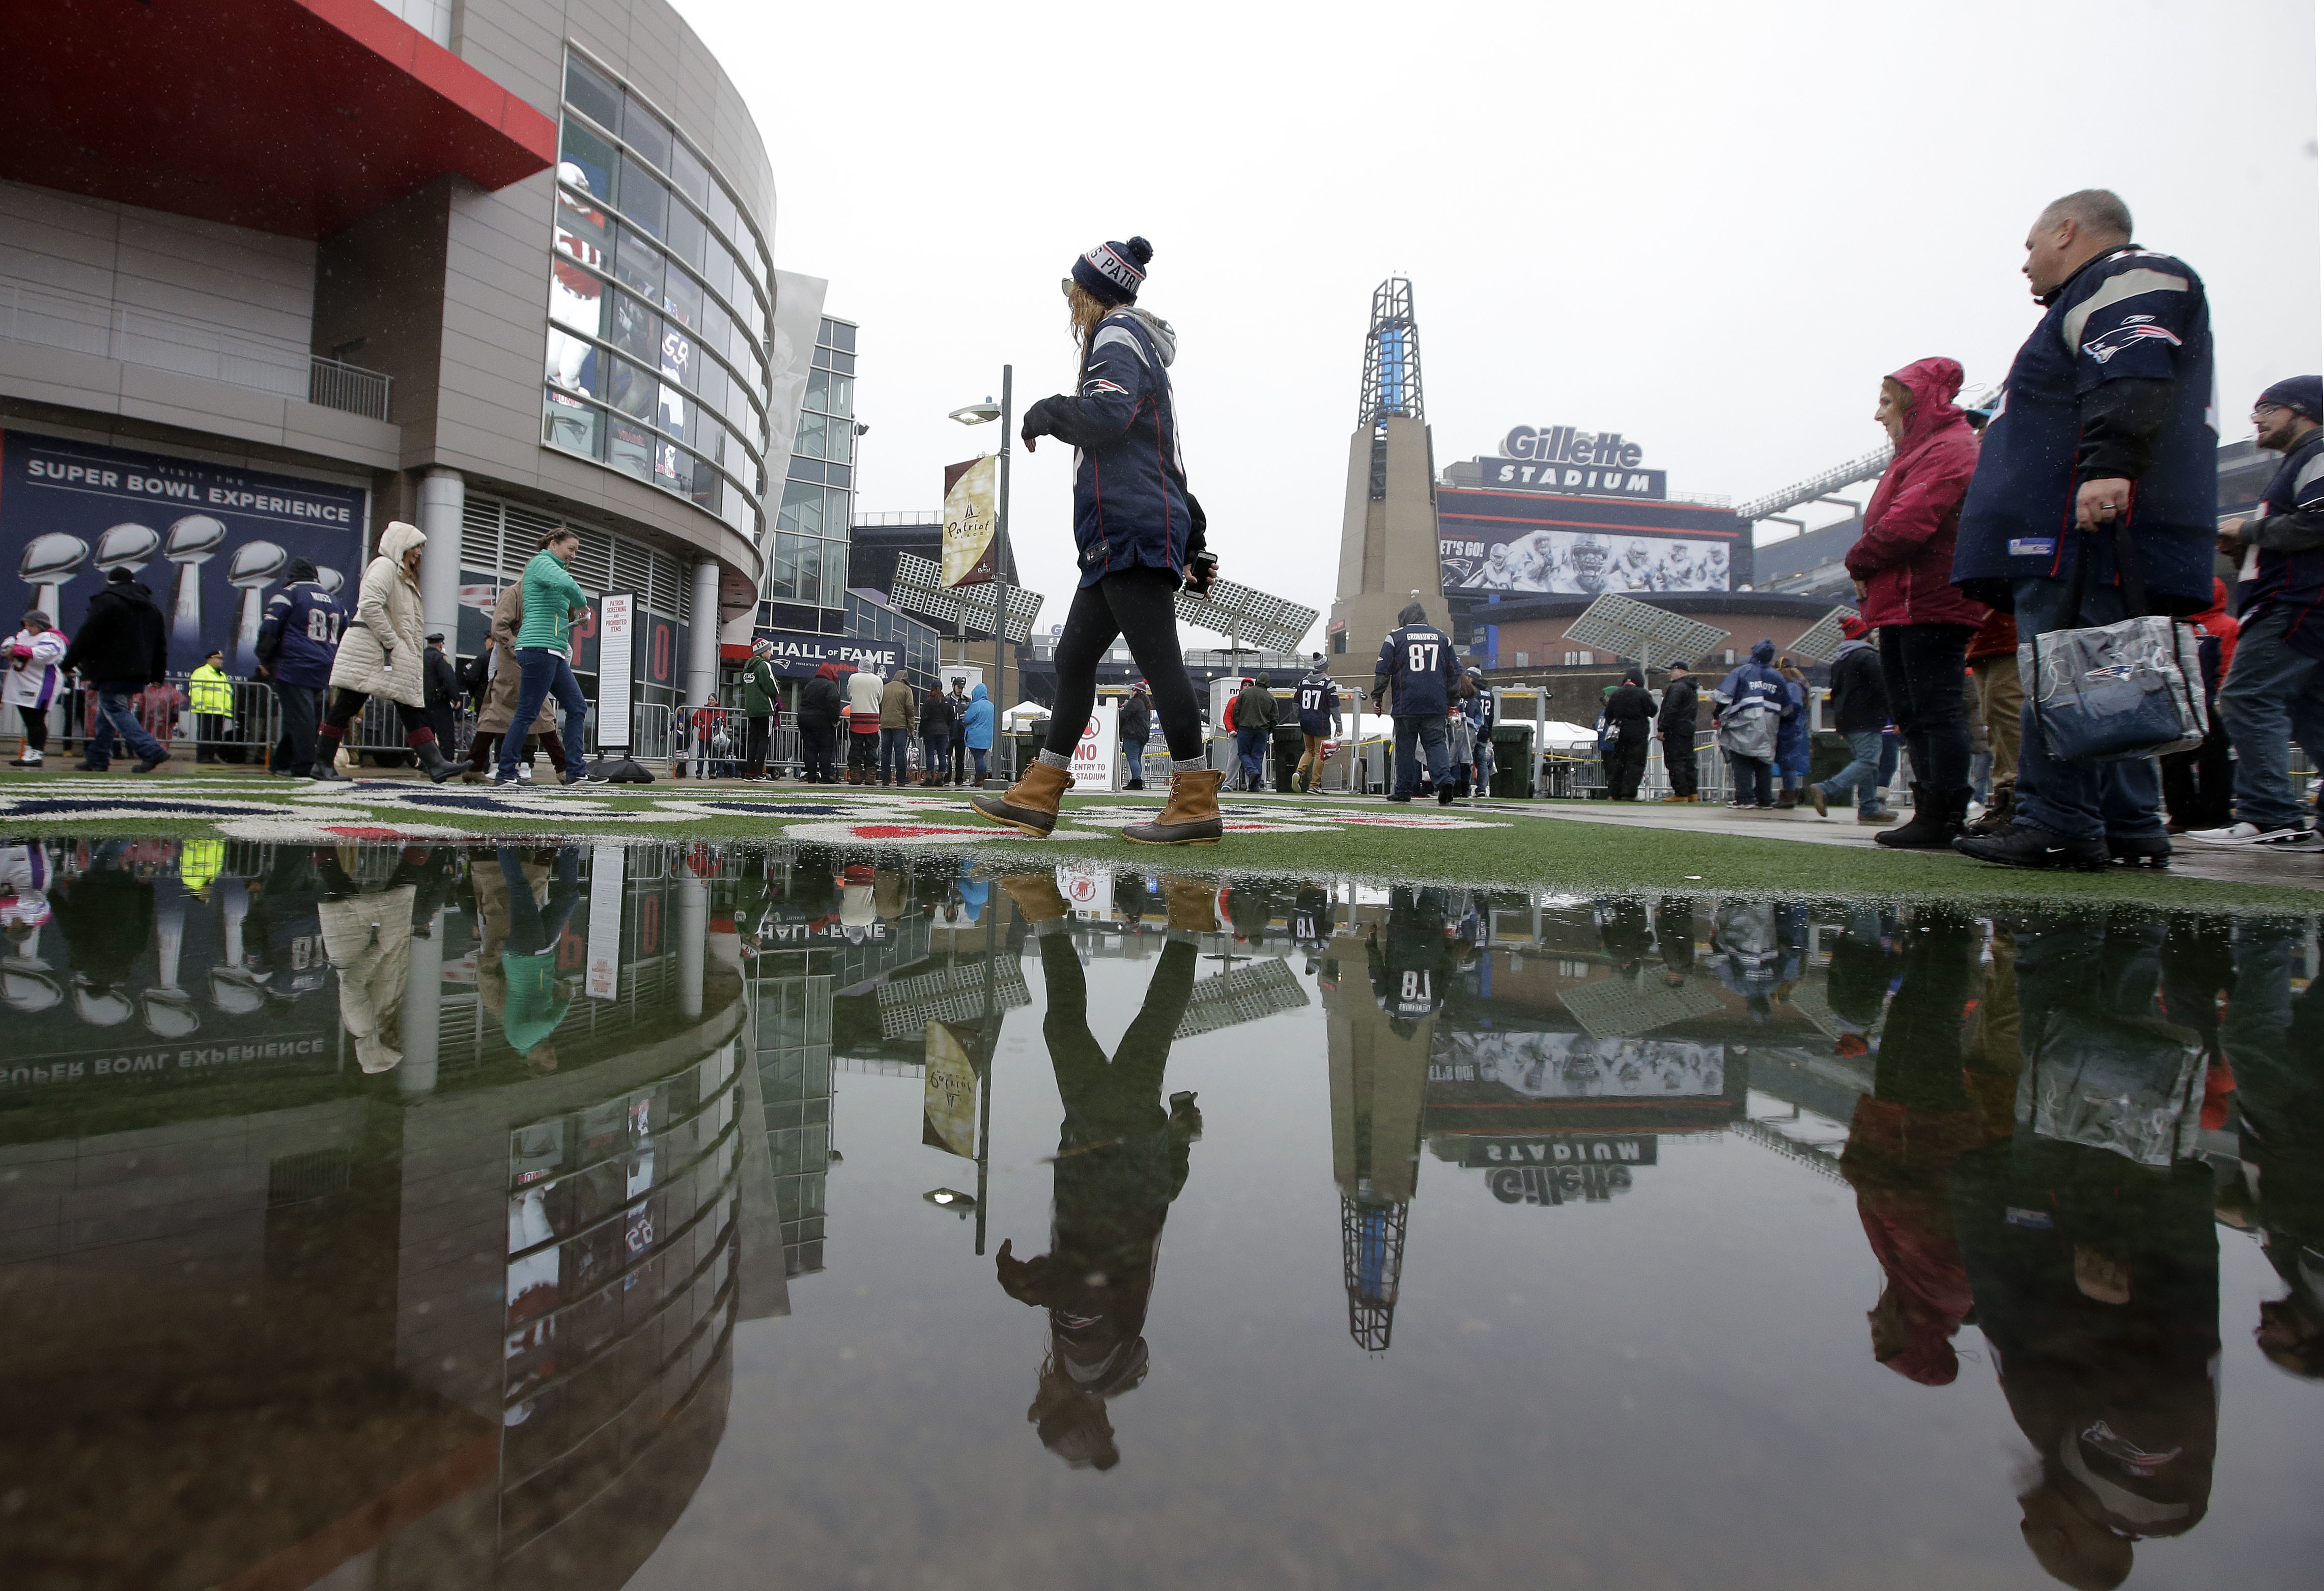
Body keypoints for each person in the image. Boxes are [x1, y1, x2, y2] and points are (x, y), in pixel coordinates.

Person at [1953, 190, 2216, 871]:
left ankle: (2058, 819)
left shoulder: (2123, 277)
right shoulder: (2114, 287)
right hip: (2083, 521)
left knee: (2069, 667)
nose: (2025, 265)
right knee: (2110, 670)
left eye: (2030, 246)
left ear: (2066, 231)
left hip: (2076, 525)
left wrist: (2106, 466)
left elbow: (2130, 366)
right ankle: (2126, 822)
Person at [973, 234, 1223, 846]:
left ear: (1095, 292)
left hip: (1127, 527)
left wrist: (1048, 411)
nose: (1071, 304)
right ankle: (1039, 794)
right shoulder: (1139, 346)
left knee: (1159, 661)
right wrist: (1191, 539)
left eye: (1075, 292)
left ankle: (1195, 799)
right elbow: (1162, 461)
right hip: (1131, 526)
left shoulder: (1115, 335)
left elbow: (1107, 419)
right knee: (1074, 658)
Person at [994, 869, 1209, 1470]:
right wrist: (1032, 1287)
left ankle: (1188, 916)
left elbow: (1137, 1242)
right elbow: (1087, 1278)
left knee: (1146, 1028)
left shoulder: (1103, 1360)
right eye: (1046, 1404)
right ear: (1069, 1407)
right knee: (1081, 1024)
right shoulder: (1086, 1359)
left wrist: (1179, 1134)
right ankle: (1047, 907)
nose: (1040, 1394)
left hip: (1125, 1155)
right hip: (1105, 1150)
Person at [1844, 357, 1988, 848]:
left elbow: (1908, 524)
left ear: (1915, 403)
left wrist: (1858, 561)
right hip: (1907, 599)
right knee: (1914, 708)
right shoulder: (1922, 451)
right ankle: (1935, 807)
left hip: (1929, 597)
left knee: (1934, 708)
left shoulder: (1948, 448)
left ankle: (1944, 812)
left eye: (1887, 402)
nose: (1878, 415)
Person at [2191, 376, 2324, 847]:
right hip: (2301, 602)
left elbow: (2318, 520)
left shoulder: (2317, 452)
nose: (2257, 419)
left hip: (2295, 601)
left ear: (2303, 410)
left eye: (2268, 408)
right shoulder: (2299, 460)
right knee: (2309, 709)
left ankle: (2270, 815)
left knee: (2247, 697)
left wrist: (2247, 530)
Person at [315, 522, 459, 783]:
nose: (419, 553)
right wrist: (393, 642)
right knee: (356, 705)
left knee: (400, 704)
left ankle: (435, 763)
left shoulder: (396, 571)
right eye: (415, 547)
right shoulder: (385, 567)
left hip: (378, 651)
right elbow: (369, 605)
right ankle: (434, 763)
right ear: (401, 545)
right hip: (374, 651)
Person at [495, 528, 595, 786]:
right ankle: (506, 772)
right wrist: (583, 605)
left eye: (576, 551)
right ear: (553, 544)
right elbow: (567, 585)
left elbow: (558, 601)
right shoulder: (541, 563)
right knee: (528, 712)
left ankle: (575, 771)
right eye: (571, 549)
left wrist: (575, 618)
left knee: (576, 706)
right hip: (539, 648)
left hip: (552, 650)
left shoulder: (550, 568)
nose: (574, 555)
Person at [61, 565, 169, 774]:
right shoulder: (151, 608)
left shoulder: (107, 601)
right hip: (138, 670)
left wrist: (69, 662)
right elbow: (160, 644)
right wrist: (157, 674)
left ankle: (150, 750)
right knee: (107, 712)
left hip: (111, 668)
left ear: (110, 582)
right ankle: (98, 758)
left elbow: (87, 634)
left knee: (114, 708)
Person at [464, 576, 566, 784]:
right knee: (539, 712)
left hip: (530, 658)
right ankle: (563, 767)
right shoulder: (513, 594)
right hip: (516, 661)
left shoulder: (536, 596)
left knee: (499, 716)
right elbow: (500, 627)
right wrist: (516, 646)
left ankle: (475, 765)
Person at [2160, 579, 2238, 835]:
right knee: (2210, 760)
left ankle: (2188, 814)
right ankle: (2211, 815)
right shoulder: (2228, 626)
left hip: (2189, 702)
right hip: (2203, 702)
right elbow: (2230, 667)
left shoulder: (2174, 626)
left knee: (2178, 758)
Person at [253, 557, 343, 778]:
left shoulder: (288, 595)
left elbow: (270, 627)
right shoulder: (335, 601)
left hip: (294, 664)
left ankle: (304, 766)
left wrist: (266, 659)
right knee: (304, 716)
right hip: (324, 665)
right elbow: (345, 632)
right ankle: (281, 762)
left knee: (302, 718)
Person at [1372, 598, 1461, 806]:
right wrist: (1453, 701)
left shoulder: (1395, 638)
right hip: (1435, 703)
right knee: (1437, 744)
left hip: (1407, 703)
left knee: (1405, 747)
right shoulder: (1443, 638)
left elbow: (1383, 670)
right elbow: (1453, 672)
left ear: (1404, 619)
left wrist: (1377, 696)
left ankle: (1403, 790)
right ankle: (1445, 781)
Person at [1809, 613, 1895, 823]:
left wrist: (1839, 723)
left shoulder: (1841, 660)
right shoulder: (1869, 657)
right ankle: (1826, 789)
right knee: (1868, 761)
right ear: (1865, 635)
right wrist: (1897, 716)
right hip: (1867, 718)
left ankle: (1869, 807)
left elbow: (1836, 694)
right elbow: (1883, 689)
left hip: (1847, 720)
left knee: (1866, 764)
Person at [1959, 608, 2023, 836]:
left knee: (2007, 715)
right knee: (1996, 718)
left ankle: (2020, 803)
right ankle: (2008, 800)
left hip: (2004, 631)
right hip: (1986, 635)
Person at [1712, 639, 1788, 808]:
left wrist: (1717, 715)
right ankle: (1765, 798)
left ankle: (1745, 798)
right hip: (1770, 725)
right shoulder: (1778, 676)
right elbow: (1788, 706)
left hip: (1743, 724)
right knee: (1764, 761)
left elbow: (1724, 696)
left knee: (1742, 759)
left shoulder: (1742, 672)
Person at [4, 611, 67, 769]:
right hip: (22, 683)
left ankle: (37, 753)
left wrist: (18, 650)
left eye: (32, 625)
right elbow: (7, 644)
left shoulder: (50, 637)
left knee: (36, 720)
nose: (29, 628)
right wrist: (11, 649)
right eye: (27, 625)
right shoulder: (24, 635)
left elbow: (47, 653)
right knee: (28, 719)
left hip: (41, 684)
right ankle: (30, 752)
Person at [1602, 667, 1656, 800]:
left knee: (1619, 762)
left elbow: (1609, 714)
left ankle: (1615, 793)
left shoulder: (1617, 694)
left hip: (1620, 734)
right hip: (1638, 734)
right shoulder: (1643, 694)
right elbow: (1653, 711)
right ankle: (1629, 792)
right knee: (1635, 763)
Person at [1291, 657, 1338, 794]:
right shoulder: (1328, 683)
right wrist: (1339, 726)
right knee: (1320, 754)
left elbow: (1296, 703)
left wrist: (1300, 717)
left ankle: (1299, 773)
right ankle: (1314, 785)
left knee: (1309, 751)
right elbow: (1335, 706)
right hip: (1321, 722)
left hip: (1305, 721)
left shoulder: (1303, 682)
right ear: (1325, 667)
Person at [1656, 660, 1699, 802]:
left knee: (1675, 761)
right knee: (1688, 761)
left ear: (1681, 671)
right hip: (1688, 729)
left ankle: (1681, 793)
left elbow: (1670, 709)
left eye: (1673, 670)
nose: (1670, 673)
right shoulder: (1692, 688)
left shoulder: (1677, 688)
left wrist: (1662, 728)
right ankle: (1692, 793)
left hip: (1675, 730)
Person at [740, 637, 782, 781]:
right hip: (765, 708)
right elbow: (773, 688)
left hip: (751, 709)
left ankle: (750, 773)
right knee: (764, 740)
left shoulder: (748, 666)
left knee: (753, 740)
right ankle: (758, 772)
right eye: (769, 650)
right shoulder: (764, 666)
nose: (771, 653)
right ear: (763, 651)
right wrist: (778, 686)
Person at [1773, 660, 1811, 808]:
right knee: (1788, 765)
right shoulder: (1799, 684)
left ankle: (1789, 797)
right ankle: (1788, 795)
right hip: (1794, 730)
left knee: (1788, 765)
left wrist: (1779, 714)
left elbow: (1793, 707)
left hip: (1789, 730)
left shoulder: (1791, 686)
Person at [799, 659, 843, 782]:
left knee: (810, 748)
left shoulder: (810, 684)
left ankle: (811, 776)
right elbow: (833, 701)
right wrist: (835, 719)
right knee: (825, 749)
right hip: (821, 720)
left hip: (804, 718)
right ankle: (825, 776)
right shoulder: (830, 685)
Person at [1231, 672, 1277, 792]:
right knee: (1257, 756)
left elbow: (1236, 711)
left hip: (1245, 729)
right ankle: (1254, 786)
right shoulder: (1270, 697)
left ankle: (1252, 772)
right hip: (1262, 731)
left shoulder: (1245, 693)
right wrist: (1269, 730)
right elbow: (1275, 717)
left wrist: (1238, 725)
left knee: (1243, 754)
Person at [188, 647, 232, 763]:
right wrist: (200, 706)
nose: (221, 661)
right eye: (218, 659)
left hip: (219, 711)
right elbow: (196, 690)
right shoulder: (201, 672)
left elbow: (226, 694)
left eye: (222, 659)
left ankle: (211, 756)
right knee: (205, 734)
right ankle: (203, 756)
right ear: (210, 660)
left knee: (216, 735)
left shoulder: (222, 675)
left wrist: (227, 710)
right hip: (206, 710)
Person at [843, 660, 882, 783]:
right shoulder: (878, 680)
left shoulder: (853, 678)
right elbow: (880, 699)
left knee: (856, 748)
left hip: (856, 718)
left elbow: (850, 694)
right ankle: (870, 777)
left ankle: (856, 776)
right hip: (873, 719)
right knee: (872, 748)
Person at [421, 631, 460, 753]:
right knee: (445, 733)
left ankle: (426, 761)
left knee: (426, 733)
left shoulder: (420, 656)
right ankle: (446, 759)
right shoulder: (440, 658)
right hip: (439, 702)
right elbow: (449, 679)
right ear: (441, 645)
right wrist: (456, 697)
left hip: (422, 701)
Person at [877, 665, 915, 786]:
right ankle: (901, 779)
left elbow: (879, 705)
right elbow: (910, 709)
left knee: (886, 752)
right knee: (899, 752)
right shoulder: (906, 689)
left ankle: (885, 779)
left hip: (885, 724)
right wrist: (911, 726)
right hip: (900, 725)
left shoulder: (885, 687)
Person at [959, 681, 995, 787]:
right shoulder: (991, 706)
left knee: (978, 758)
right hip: (987, 737)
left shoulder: (976, 706)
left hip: (975, 736)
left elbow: (967, 719)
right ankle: (983, 777)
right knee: (981, 758)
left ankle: (980, 778)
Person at [917, 684, 954, 788]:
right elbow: (952, 717)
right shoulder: (947, 701)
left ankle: (929, 778)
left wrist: (922, 731)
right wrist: (946, 727)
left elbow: (924, 717)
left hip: (930, 731)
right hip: (943, 732)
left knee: (930, 755)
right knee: (942, 755)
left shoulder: (929, 701)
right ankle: (941, 778)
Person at [1119, 680, 1152, 789]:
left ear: (1137, 692)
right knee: (1137, 759)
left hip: (1132, 734)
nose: (1132, 692)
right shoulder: (1145, 705)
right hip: (1142, 735)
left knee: (1132, 759)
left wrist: (1122, 709)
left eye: (1133, 690)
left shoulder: (1135, 703)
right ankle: (1135, 780)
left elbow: (1124, 715)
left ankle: (1137, 781)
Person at [946, 676, 973, 784]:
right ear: (954, 686)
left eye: (962, 688)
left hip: (961, 733)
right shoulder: (947, 699)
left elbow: (970, 714)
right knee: (947, 756)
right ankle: (947, 778)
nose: (960, 690)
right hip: (950, 732)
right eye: (958, 687)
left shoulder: (967, 700)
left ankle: (959, 779)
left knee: (960, 758)